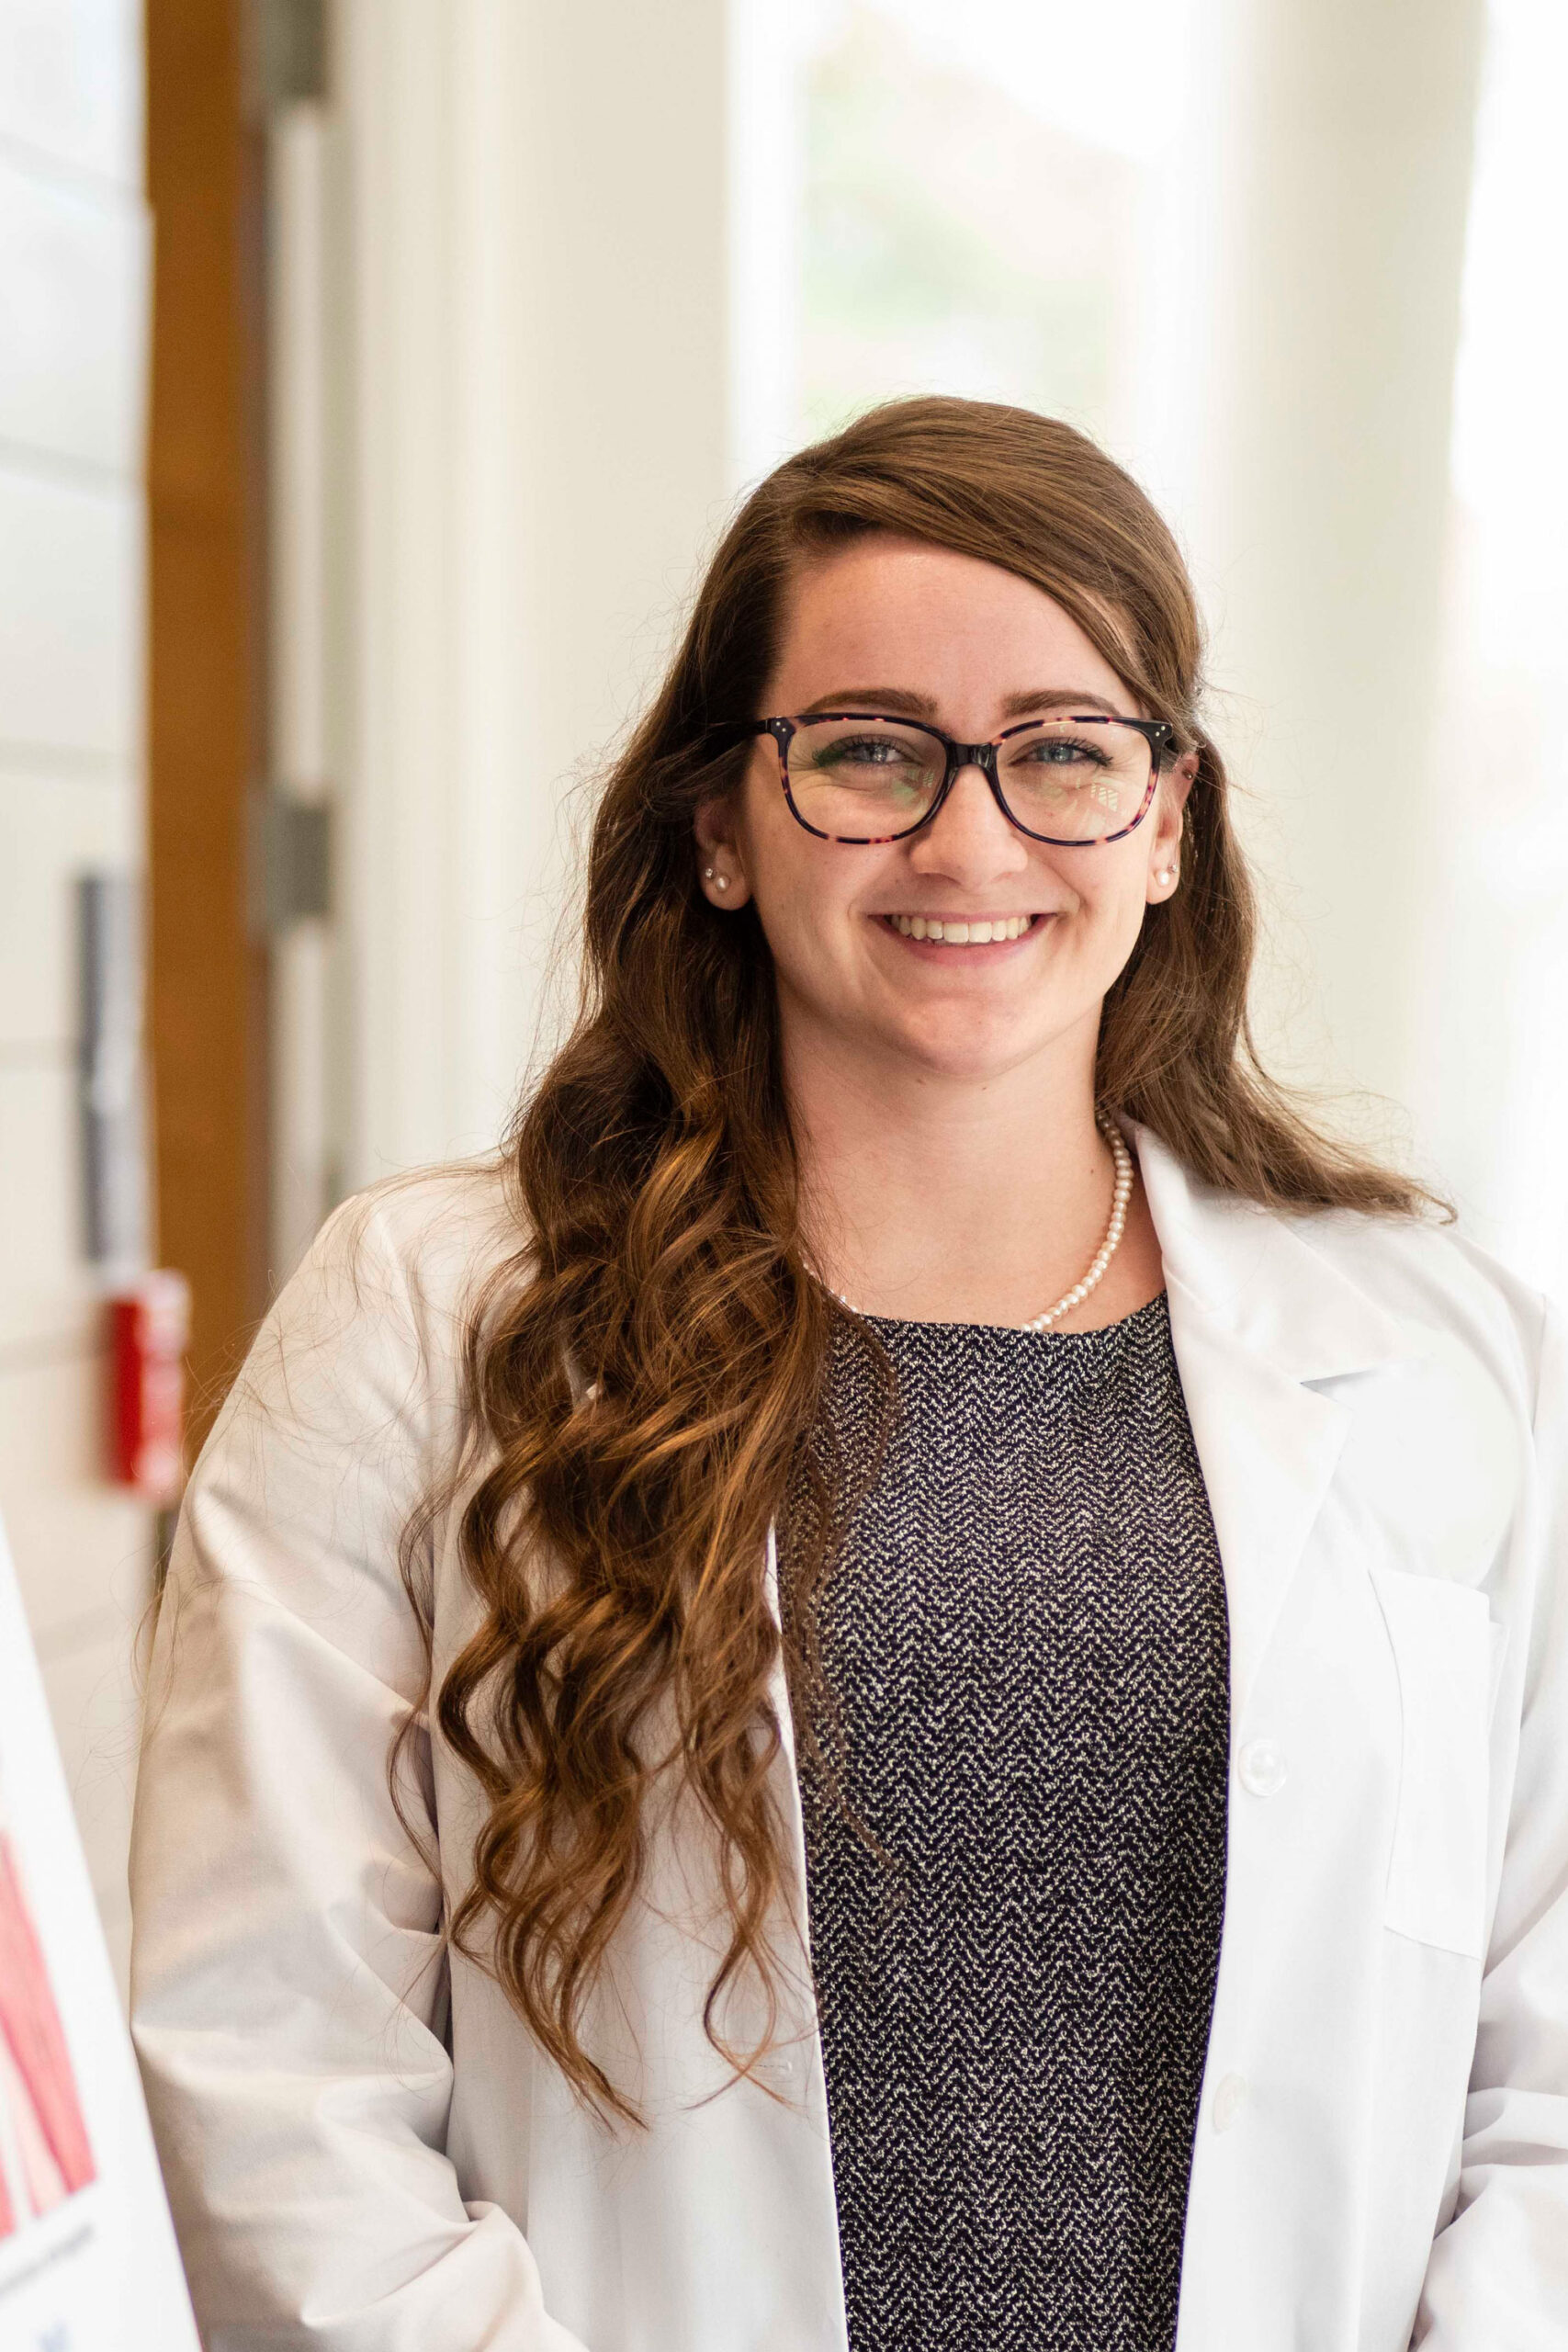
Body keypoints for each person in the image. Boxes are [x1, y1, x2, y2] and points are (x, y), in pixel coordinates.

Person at [130, 398, 1568, 2351]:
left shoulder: (1443, 1358)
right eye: (872, 750)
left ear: (1165, 823)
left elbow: (1543, 2064)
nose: (968, 838)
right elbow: (269, 2049)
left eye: (1063, 752)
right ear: (720, 825)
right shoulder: (427, 1315)